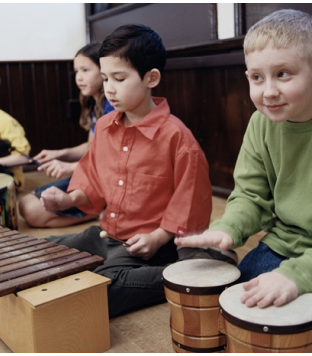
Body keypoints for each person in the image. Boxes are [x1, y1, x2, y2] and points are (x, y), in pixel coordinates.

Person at [175, 9, 312, 352]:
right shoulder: (261, 123)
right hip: (289, 239)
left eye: (283, 74)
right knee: (238, 307)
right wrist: (228, 227)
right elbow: (250, 195)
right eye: (257, 77)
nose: (268, 92)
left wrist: (298, 277)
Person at [40, 24, 217, 318]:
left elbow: (190, 201)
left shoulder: (177, 138)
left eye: (119, 78)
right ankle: (115, 266)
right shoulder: (106, 128)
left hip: (150, 245)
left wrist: (158, 237)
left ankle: (188, 273)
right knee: (45, 252)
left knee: (100, 293)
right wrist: (67, 201)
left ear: (151, 78)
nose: (109, 88)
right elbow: (94, 182)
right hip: (108, 234)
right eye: (106, 77)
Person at [19, 43, 114, 227]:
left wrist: (71, 168)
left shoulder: (113, 107)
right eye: (76, 71)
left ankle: (99, 211)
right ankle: (97, 211)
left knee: (31, 208)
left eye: (85, 70)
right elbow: (91, 146)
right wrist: (59, 153)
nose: (79, 78)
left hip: (103, 180)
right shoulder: (96, 106)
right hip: (91, 174)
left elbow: (112, 159)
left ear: (104, 71)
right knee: (27, 204)